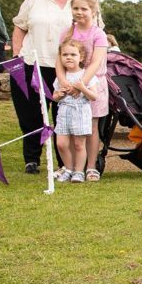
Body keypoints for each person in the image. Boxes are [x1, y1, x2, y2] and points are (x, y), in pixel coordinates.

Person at [11, 0, 79, 173]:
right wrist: (16, 55)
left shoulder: (80, 2)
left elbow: (91, 33)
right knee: (31, 114)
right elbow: (19, 27)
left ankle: (64, 161)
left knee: (63, 114)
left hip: (66, 68)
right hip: (32, 63)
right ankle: (32, 159)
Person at [57, 0, 109, 181]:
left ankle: (91, 166)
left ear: (93, 11)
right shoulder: (67, 32)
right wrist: (63, 81)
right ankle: (71, 167)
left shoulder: (98, 34)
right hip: (70, 86)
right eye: (76, 8)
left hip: (92, 84)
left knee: (90, 127)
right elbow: (59, 59)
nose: (79, 12)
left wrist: (81, 85)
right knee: (70, 128)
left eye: (83, 9)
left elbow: (95, 62)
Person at [51, 39, 99, 183]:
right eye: (65, 55)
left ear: (81, 57)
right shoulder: (61, 77)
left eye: (73, 54)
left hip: (81, 112)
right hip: (64, 112)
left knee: (79, 144)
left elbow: (94, 96)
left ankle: (79, 171)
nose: (69, 57)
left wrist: (82, 88)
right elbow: (54, 96)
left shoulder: (87, 75)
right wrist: (58, 95)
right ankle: (68, 168)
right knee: (61, 143)